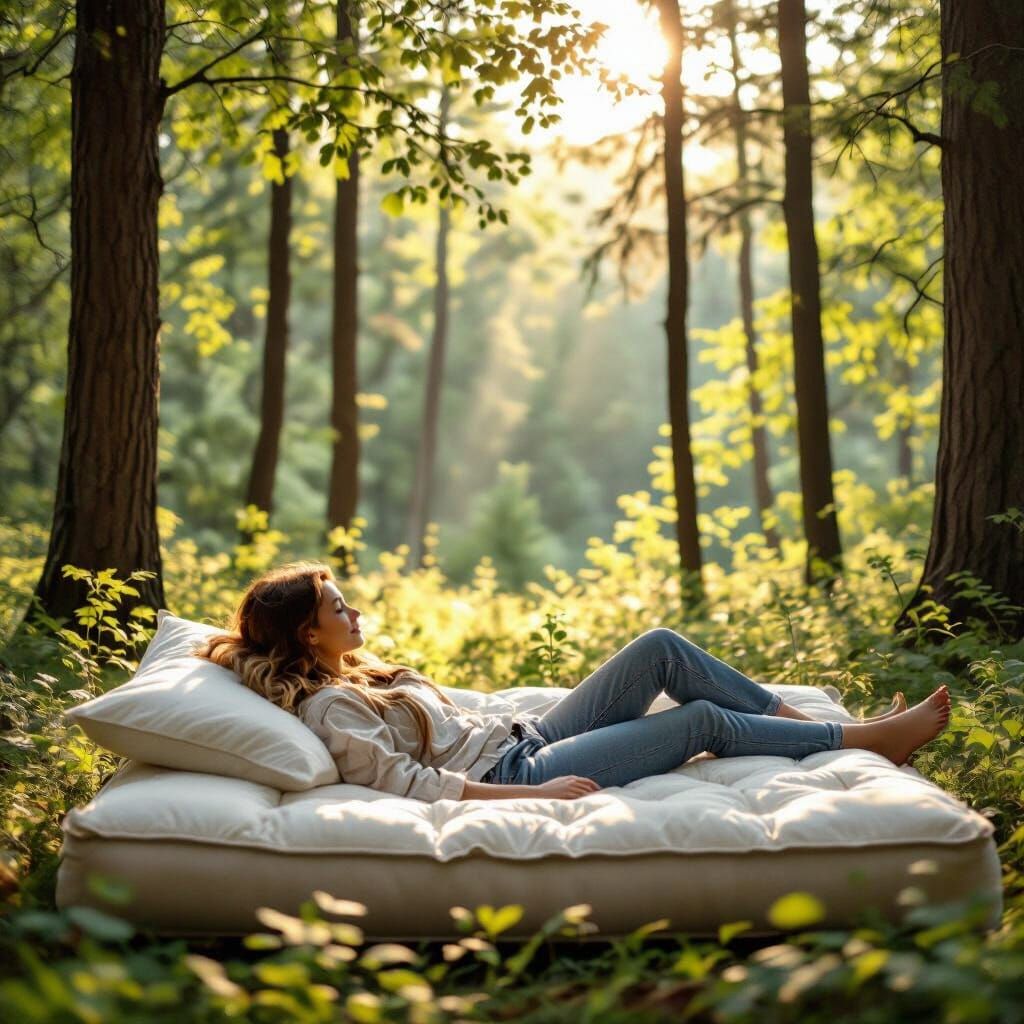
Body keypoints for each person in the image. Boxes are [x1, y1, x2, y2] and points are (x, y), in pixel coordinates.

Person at [195, 561, 951, 803]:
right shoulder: (332, 707)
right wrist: (534, 796)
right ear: (306, 633)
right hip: (520, 769)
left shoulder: (353, 672)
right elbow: (409, 785)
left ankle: (796, 720)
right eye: (338, 606)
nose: (354, 610)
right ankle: (867, 741)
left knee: (660, 648)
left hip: (527, 735)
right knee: (700, 727)